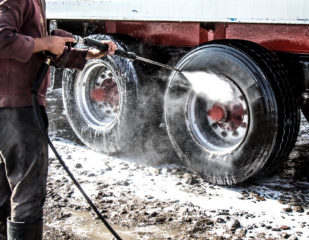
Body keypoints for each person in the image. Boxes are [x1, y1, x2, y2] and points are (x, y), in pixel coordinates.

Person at [0, 0, 117, 239]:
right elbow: (2, 39)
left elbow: (40, 51)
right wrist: (46, 42)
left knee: (4, 189)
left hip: (14, 108)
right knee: (27, 193)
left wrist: (87, 54)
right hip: (17, 111)